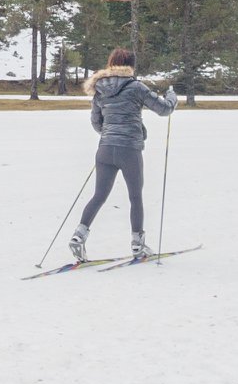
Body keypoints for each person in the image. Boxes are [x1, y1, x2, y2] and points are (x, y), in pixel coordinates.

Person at [65, 47, 176, 264]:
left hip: (105, 149)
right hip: (129, 150)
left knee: (99, 195)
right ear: (130, 65)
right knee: (135, 196)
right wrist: (171, 96)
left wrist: (110, 133)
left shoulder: (100, 90)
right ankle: (138, 244)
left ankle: (79, 236)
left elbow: (97, 122)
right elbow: (164, 110)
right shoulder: (136, 87)